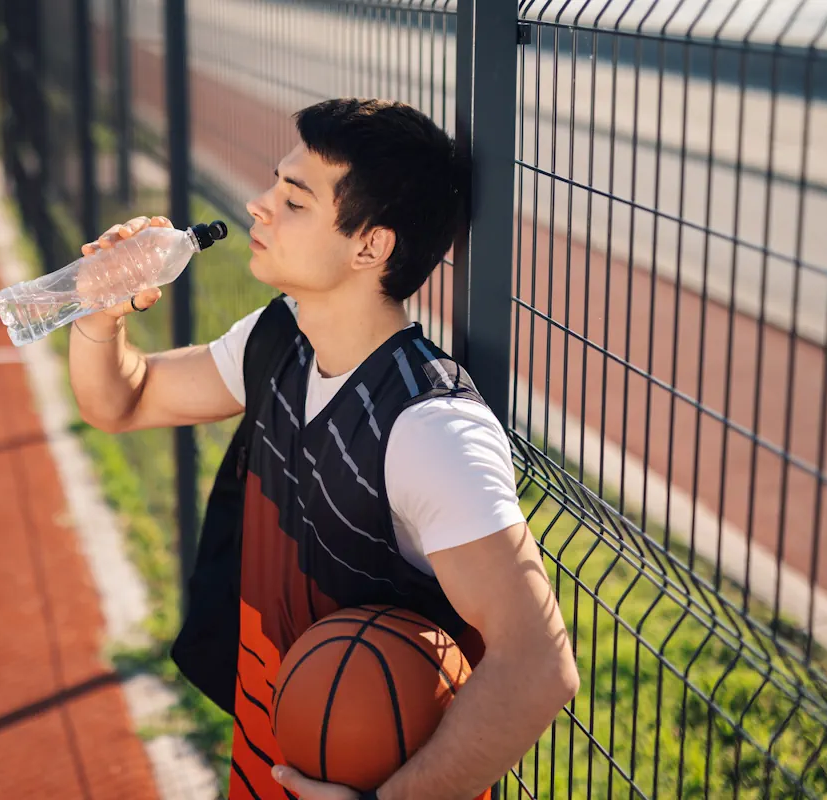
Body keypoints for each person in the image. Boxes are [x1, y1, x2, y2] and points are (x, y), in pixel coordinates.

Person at [67, 98, 579, 800]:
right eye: (274, 187)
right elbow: (121, 401)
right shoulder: (278, 338)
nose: (257, 206)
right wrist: (101, 313)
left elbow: (538, 665)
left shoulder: (431, 430)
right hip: (267, 756)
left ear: (371, 246)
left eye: (294, 201)